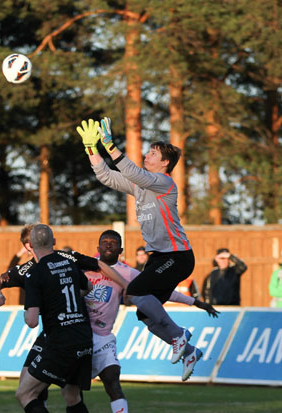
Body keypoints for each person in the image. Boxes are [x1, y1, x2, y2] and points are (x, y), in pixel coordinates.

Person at [77, 117, 204, 375]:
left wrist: (110, 145)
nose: (147, 155)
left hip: (177, 256)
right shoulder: (142, 186)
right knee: (146, 317)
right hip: (159, 257)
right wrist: (92, 149)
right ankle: (191, 352)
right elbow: (106, 177)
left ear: (165, 163)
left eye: (153, 153)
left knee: (134, 292)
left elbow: (133, 172)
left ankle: (181, 335)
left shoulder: (164, 182)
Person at [84, 230, 219, 413]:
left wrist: (194, 302)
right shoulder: (84, 267)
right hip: (79, 336)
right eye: (104, 242)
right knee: (72, 391)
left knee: (113, 383)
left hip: (104, 338)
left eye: (113, 243)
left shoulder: (128, 273)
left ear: (120, 250)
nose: (108, 246)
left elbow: (165, 292)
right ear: (98, 247)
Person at [15, 224, 131, 413]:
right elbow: (87, 288)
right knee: (72, 395)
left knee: (25, 394)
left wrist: (34, 307)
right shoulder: (69, 263)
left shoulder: (36, 273)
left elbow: (32, 320)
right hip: (83, 336)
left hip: (60, 341)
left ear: (31, 246)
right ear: (54, 241)